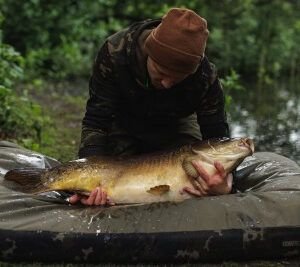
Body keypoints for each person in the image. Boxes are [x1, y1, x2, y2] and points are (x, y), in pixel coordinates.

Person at [69, 7, 232, 206]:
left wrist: (223, 181)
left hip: (175, 125)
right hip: (123, 120)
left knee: (193, 178)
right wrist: (89, 178)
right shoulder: (115, 52)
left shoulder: (205, 77)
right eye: (161, 73)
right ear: (149, 53)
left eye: (177, 79)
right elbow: (96, 120)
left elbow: (216, 137)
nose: (167, 84)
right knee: (112, 182)